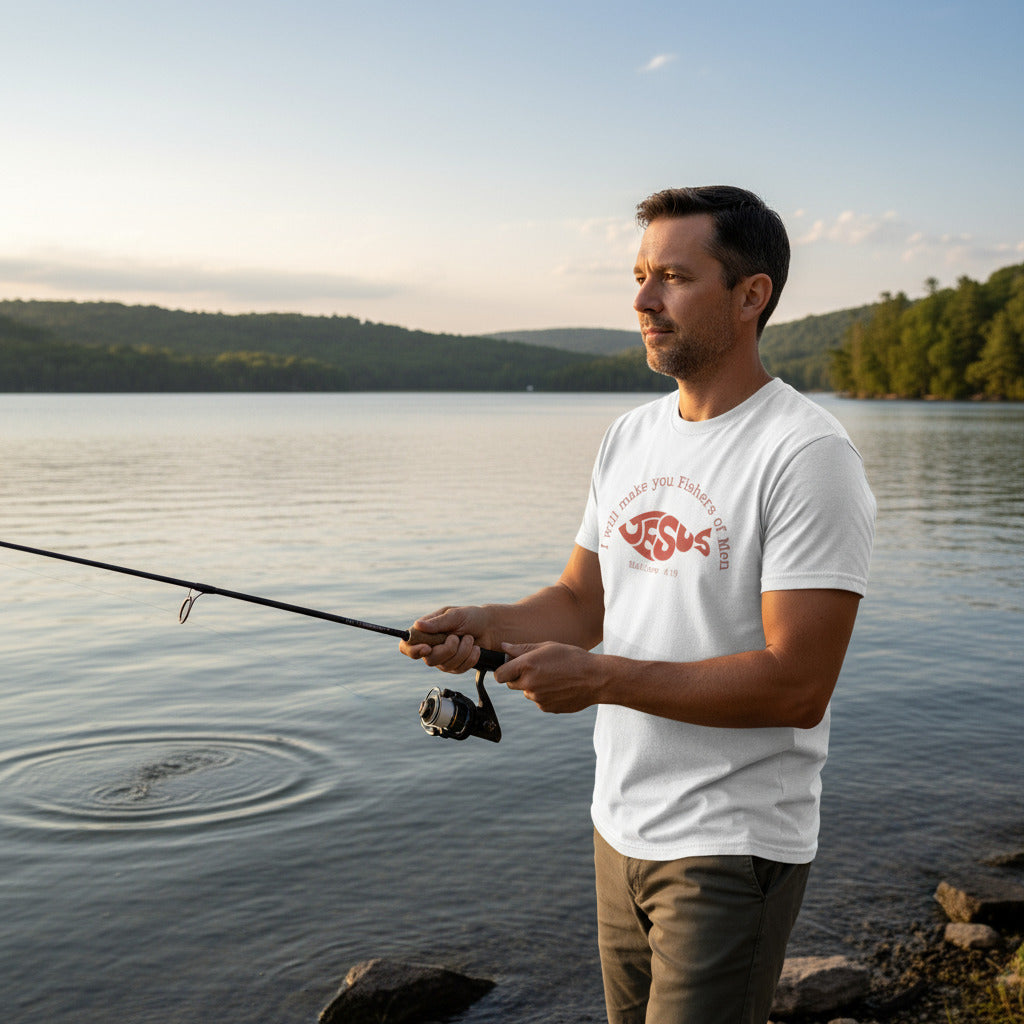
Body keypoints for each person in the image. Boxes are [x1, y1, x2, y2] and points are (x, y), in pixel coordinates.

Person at [400, 185, 876, 1024]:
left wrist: (601, 679)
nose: (642, 301)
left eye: (673, 277)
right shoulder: (631, 435)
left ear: (751, 295)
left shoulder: (805, 453)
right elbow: (582, 602)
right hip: (618, 828)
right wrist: (486, 623)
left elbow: (797, 685)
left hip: (730, 843)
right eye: (640, 275)